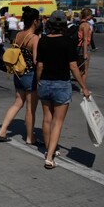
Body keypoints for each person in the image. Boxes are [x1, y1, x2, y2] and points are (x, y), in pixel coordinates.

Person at [36, 10, 90, 169]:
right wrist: (83, 87)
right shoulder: (68, 42)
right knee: (58, 122)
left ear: (50, 24)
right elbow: (73, 66)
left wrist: (39, 81)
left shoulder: (43, 41)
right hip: (62, 84)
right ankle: (50, 157)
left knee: (47, 119)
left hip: (45, 82)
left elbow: (40, 65)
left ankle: (48, 150)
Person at [0, 6, 40, 144]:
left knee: (17, 103)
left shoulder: (18, 35)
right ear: (35, 22)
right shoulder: (34, 38)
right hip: (30, 75)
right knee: (30, 108)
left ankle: (2, 130)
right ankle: (29, 137)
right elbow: (35, 60)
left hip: (18, 74)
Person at [77, 8, 93, 85]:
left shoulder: (79, 23)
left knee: (80, 68)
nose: (91, 17)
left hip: (78, 47)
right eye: (91, 15)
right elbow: (85, 39)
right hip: (83, 47)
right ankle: (83, 87)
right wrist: (85, 53)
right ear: (87, 15)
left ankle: (81, 85)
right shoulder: (86, 25)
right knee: (85, 70)